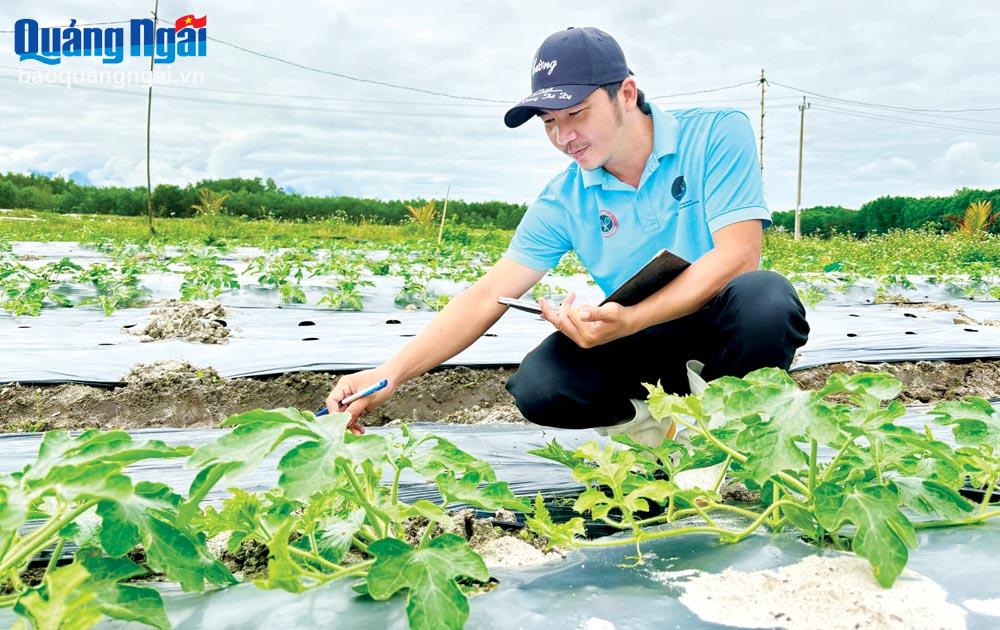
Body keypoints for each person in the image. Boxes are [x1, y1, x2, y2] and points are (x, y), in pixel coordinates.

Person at [327, 26, 809, 442]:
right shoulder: (565, 197)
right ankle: (656, 437)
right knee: (541, 383)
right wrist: (390, 373)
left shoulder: (715, 135)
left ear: (625, 93)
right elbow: (488, 294)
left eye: (576, 113)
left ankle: (734, 430)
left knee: (766, 300)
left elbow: (738, 256)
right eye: (550, 122)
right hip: (642, 336)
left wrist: (632, 317)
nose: (563, 137)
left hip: (719, 325)